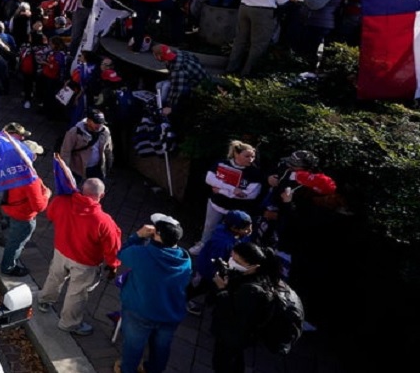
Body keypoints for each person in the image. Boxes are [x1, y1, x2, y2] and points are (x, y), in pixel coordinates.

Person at [37, 155, 121, 336]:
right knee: (77, 292)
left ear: (82, 189)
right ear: (102, 195)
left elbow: (50, 215)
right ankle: (69, 323)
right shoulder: (104, 221)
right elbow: (112, 247)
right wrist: (113, 266)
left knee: (54, 276)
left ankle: (44, 300)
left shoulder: (62, 201)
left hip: (60, 250)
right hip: (85, 262)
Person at [115, 214, 192, 373]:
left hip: (140, 312)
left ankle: (127, 370)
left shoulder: (140, 254)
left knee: (133, 347)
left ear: (157, 235)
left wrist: (138, 236)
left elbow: (122, 253)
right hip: (170, 315)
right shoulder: (185, 259)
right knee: (161, 349)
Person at [210, 242, 281, 373]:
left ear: (254, 266)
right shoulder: (250, 277)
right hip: (235, 336)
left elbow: (236, 315)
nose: (232, 262)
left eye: (238, 261)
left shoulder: (252, 290)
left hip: (233, 336)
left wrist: (222, 290)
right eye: (232, 257)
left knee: (224, 364)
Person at [190, 141, 263, 254]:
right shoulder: (222, 163)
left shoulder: (254, 172)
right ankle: (203, 245)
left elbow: (250, 194)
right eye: (247, 156)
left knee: (232, 233)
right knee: (209, 227)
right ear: (236, 154)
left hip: (236, 210)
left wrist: (221, 190)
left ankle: (227, 253)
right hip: (216, 204)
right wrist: (232, 189)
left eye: (253, 156)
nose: (251, 159)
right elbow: (209, 179)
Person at [227, 0, 292, 76]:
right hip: (264, 12)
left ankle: (231, 67)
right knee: (258, 43)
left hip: (244, 8)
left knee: (240, 39)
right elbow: (282, 0)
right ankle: (247, 72)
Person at [0, 125, 50, 277]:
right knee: (16, 243)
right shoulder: (30, 179)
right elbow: (39, 206)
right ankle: (8, 267)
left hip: (8, 208)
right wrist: (47, 194)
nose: (35, 157)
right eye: (34, 154)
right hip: (22, 216)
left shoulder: (9, 165)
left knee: (11, 233)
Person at [152, 45, 209, 119]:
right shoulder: (176, 53)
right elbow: (194, 57)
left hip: (197, 86)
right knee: (159, 85)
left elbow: (177, 89)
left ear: (159, 57)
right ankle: (160, 104)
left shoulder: (178, 70)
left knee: (167, 86)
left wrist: (170, 107)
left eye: (154, 54)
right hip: (189, 78)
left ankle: (163, 109)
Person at [59, 109, 113, 182]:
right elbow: (66, 152)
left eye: (101, 123)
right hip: (77, 169)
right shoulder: (75, 132)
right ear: (88, 121)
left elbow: (108, 149)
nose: (99, 125)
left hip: (96, 169)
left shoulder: (105, 131)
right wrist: (66, 171)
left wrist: (108, 164)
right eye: (96, 122)